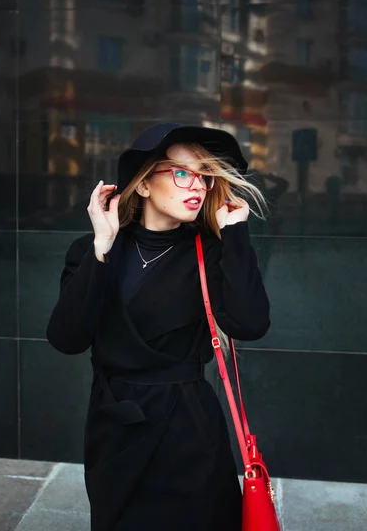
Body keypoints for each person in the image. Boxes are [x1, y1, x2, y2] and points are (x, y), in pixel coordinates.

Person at [46, 122, 271, 531]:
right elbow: (66, 338)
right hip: (115, 428)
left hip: (187, 428)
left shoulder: (211, 252)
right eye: (183, 172)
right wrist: (101, 248)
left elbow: (250, 324)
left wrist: (236, 234)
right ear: (145, 185)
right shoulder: (93, 249)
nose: (198, 186)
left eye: (204, 177)